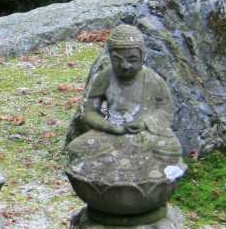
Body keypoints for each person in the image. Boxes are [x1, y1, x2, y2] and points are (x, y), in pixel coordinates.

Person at [65, 24, 181, 168]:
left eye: (132, 59)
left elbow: (166, 110)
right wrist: (110, 127)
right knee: (76, 147)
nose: (125, 66)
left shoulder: (152, 79)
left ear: (143, 56)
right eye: (117, 60)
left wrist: (145, 123)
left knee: (171, 148)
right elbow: (89, 113)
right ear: (110, 56)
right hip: (113, 133)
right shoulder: (105, 77)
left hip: (145, 134)